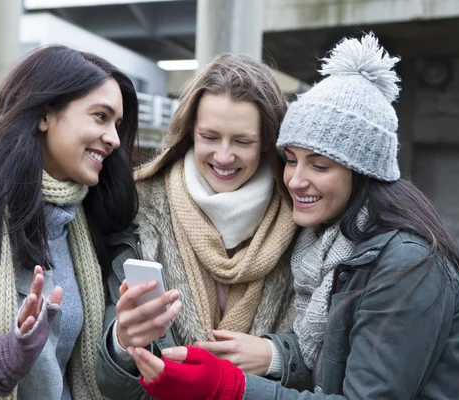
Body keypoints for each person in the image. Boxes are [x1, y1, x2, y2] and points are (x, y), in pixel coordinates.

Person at [127, 33, 459, 399]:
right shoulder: (326, 244)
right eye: (290, 160)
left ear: (362, 172)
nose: (296, 180)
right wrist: (277, 356)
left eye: (319, 165)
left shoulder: (407, 264)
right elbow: (337, 361)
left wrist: (229, 386)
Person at [0, 45, 139, 399]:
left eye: (117, 124)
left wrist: (123, 343)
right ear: (45, 115)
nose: (113, 138)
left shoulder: (87, 223)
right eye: (100, 116)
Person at [96, 53, 307, 399]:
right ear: (189, 133)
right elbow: (110, 384)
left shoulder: (304, 221)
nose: (224, 157)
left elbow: (331, 360)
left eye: (242, 142)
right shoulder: (138, 211)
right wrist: (122, 343)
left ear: (268, 142)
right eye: (209, 137)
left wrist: (276, 357)